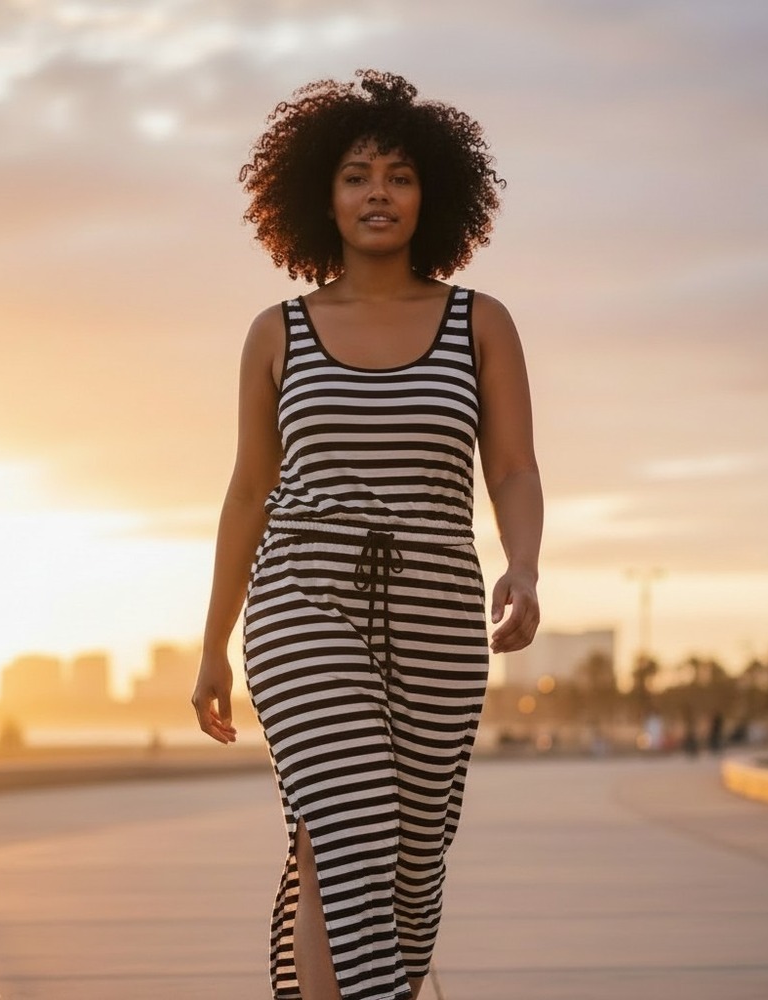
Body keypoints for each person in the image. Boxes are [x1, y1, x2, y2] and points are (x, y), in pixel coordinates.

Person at [191, 70, 543, 1000]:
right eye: (355, 175)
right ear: (323, 195)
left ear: (434, 194)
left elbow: (510, 467)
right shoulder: (278, 332)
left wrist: (525, 566)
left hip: (438, 603)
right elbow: (247, 492)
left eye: (398, 175)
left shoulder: (481, 323)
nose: (377, 193)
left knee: (412, 862)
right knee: (345, 824)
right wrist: (213, 645)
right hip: (303, 594)